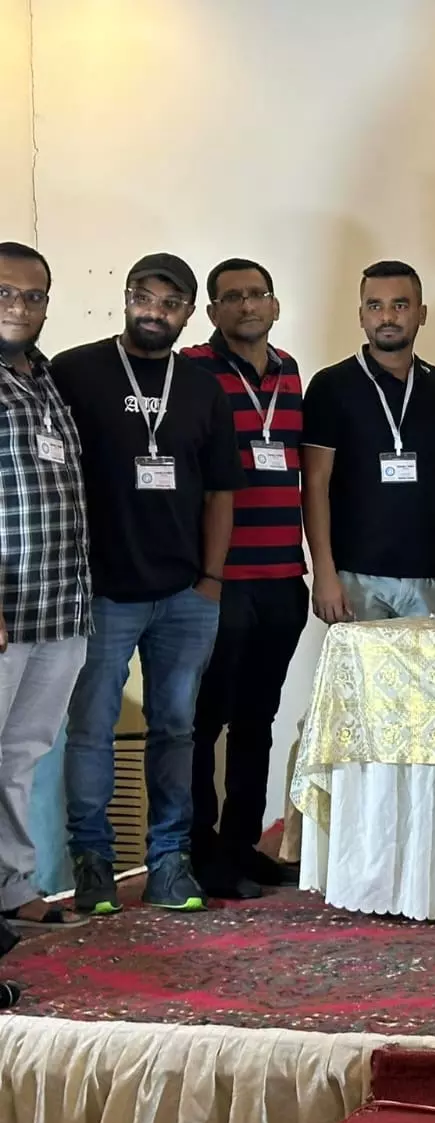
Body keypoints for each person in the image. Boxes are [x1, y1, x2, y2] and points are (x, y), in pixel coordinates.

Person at [52, 254, 245, 914]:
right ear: (126, 297)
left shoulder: (202, 388)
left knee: (176, 730)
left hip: (184, 596)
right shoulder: (76, 371)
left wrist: (210, 580)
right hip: (101, 594)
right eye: (145, 297)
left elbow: (221, 492)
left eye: (170, 303)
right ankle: (93, 863)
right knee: (90, 730)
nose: (155, 312)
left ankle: (169, 863)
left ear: (189, 313)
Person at [180, 258, 306, 899]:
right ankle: (200, 851)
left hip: (283, 576)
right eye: (232, 297)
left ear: (275, 305)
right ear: (212, 312)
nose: (247, 306)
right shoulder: (193, 371)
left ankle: (242, 844)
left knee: (259, 718)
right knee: (205, 722)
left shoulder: (290, 371)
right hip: (221, 581)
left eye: (258, 294)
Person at [0, 242, 90, 928]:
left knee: (22, 755)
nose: (19, 306)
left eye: (33, 296)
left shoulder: (46, 376)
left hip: (59, 604)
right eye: (5, 292)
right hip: (5, 606)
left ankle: (12, 886)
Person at [302, 261, 435, 622]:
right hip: (355, 577)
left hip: (430, 575)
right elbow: (314, 483)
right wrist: (324, 573)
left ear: (421, 313)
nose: (387, 316)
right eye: (375, 306)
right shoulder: (330, 385)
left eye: (400, 305)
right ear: (361, 316)